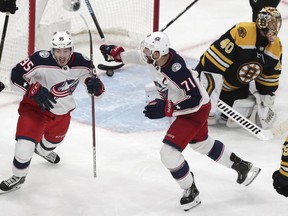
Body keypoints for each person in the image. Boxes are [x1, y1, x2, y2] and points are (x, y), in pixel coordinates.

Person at [99, 31, 261, 211]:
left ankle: (190, 190)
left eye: (148, 51)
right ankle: (242, 166)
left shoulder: (178, 71)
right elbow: (138, 57)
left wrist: (167, 108)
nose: (144, 53)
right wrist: (117, 53)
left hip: (194, 110)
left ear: (158, 53)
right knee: (202, 144)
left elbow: (195, 100)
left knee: (168, 154)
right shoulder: (154, 57)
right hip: (188, 107)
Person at [0, 31, 105, 194]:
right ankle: (18, 177)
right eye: (58, 51)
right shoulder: (39, 59)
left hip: (62, 112)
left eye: (65, 51)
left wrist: (96, 87)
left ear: (71, 49)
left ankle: (42, 150)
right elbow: (16, 75)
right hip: (35, 108)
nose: (62, 55)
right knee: (24, 146)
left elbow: (91, 82)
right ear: (52, 50)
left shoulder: (83, 62)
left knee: (50, 145)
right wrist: (30, 88)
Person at [195, 7, 282, 129]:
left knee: (234, 120)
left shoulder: (275, 47)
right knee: (209, 81)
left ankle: (224, 106)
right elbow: (211, 64)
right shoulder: (243, 32)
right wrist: (210, 97)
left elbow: (269, 79)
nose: (275, 27)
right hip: (213, 80)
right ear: (263, 23)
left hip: (234, 88)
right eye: (273, 23)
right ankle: (205, 108)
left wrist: (265, 101)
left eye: (277, 23)